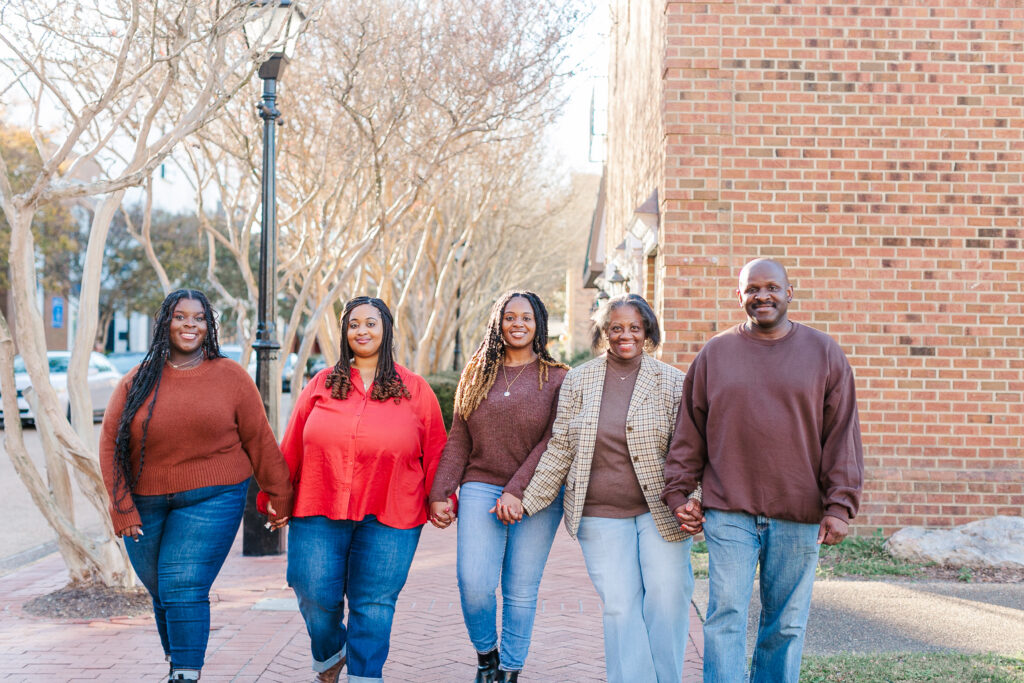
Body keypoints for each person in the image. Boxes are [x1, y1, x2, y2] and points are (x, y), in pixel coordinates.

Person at [662, 258, 864, 683]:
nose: (762, 296)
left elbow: (842, 434)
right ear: (740, 297)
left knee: (786, 624)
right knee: (725, 617)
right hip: (729, 509)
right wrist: (679, 494)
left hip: (798, 512)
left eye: (772, 287)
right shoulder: (715, 354)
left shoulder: (824, 353)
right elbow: (689, 432)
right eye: (752, 289)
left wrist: (839, 505)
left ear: (790, 293)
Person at [99, 289, 293, 683]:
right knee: (162, 590)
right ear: (164, 323)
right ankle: (179, 661)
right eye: (180, 316)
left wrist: (280, 493)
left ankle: (185, 674)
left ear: (209, 325)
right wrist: (121, 507)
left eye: (199, 318)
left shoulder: (231, 376)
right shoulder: (135, 381)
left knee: (182, 583)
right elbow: (110, 445)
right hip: (145, 500)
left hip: (215, 493)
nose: (190, 325)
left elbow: (259, 438)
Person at [510, 293, 701, 683]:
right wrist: (526, 499)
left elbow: (692, 449)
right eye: (616, 328)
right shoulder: (579, 379)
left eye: (634, 327)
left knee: (668, 598)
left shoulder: (672, 382)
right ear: (604, 332)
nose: (625, 335)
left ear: (647, 330)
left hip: (661, 512)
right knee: (620, 606)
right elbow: (560, 447)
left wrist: (695, 500)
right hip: (599, 513)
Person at [267, 296, 446, 683]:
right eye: (353, 325)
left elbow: (436, 451)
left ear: (385, 330)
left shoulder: (414, 389)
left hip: (392, 510)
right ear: (345, 333)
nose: (361, 331)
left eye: (370, 323)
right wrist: (275, 498)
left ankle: (365, 676)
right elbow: (292, 444)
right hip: (318, 504)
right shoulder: (321, 385)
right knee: (311, 590)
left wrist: (440, 497)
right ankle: (331, 653)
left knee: (374, 603)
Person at [428, 291, 569, 683]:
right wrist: (440, 492)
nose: (518, 324)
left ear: (539, 323)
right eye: (509, 317)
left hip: (539, 494)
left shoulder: (557, 377)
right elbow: (459, 437)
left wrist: (518, 490)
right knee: (474, 582)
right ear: (498, 322)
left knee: (520, 589)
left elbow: (554, 440)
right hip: (481, 485)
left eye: (527, 317)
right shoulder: (477, 372)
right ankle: (486, 655)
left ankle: (509, 671)